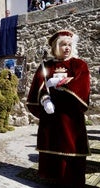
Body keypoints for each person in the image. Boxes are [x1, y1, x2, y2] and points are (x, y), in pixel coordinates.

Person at [26, 30, 91, 187]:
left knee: (72, 148)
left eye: (69, 45)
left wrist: (59, 83)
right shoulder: (46, 66)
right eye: (63, 45)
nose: (67, 48)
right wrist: (45, 98)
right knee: (53, 147)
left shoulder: (78, 64)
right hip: (52, 116)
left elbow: (82, 84)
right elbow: (38, 87)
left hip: (71, 116)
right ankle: (54, 180)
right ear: (56, 47)